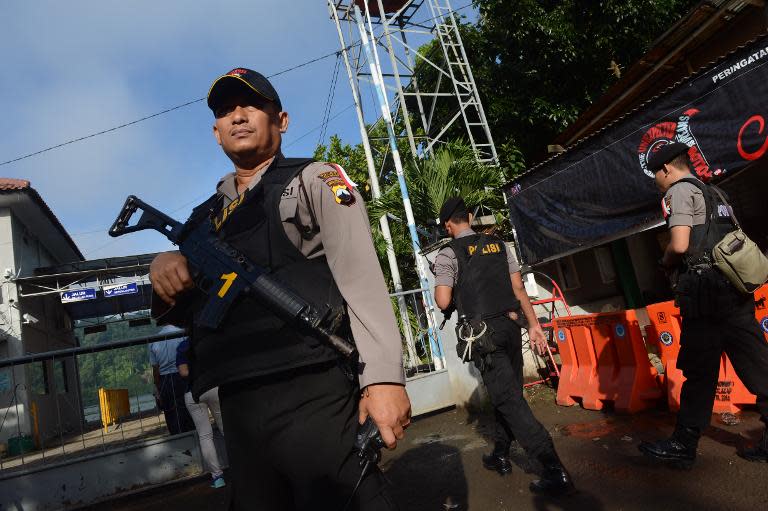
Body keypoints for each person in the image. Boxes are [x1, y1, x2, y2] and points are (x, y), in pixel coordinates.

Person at [149, 67, 410, 510]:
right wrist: (163, 268)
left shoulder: (320, 180)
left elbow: (360, 276)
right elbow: (181, 307)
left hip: (313, 393)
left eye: (251, 105)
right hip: (239, 409)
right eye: (226, 111)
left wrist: (383, 378)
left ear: (282, 121)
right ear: (216, 134)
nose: (238, 116)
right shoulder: (203, 219)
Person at [432, 197, 574, 495]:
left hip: (484, 335)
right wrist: (534, 325)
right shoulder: (498, 245)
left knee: (509, 400)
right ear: (469, 217)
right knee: (508, 394)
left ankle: (554, 468)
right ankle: (500, 453)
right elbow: (519, 288)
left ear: (448, 225)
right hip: (510, 327)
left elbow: (443, 300)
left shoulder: (447, 253)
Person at [638, 142, 768, 466]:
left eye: (656, 174)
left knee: (699, 373)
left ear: (666, 168)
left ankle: (683, 446)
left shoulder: (679, 193)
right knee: (758, 367)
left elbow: (680, 244)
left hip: (706, 296)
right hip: (735, 294)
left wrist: (664, 261)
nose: (657, 180)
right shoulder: (717, 195)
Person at [176, 338, 226, 489]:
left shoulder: (182, 347)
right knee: (226, 428)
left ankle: (217, 477)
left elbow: (183, 372)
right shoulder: (207, 341)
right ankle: (242, 466)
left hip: (193, 393)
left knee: (205, 436)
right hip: (213, 386)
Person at [149, 325, 194, 435]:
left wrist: (158, 388)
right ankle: (193, 438)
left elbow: (156, 369)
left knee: (171, 414)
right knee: (189, 410)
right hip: (183, 374)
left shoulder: (153, 340)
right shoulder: (182, 333)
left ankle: (178, 442)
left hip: (165, 380)